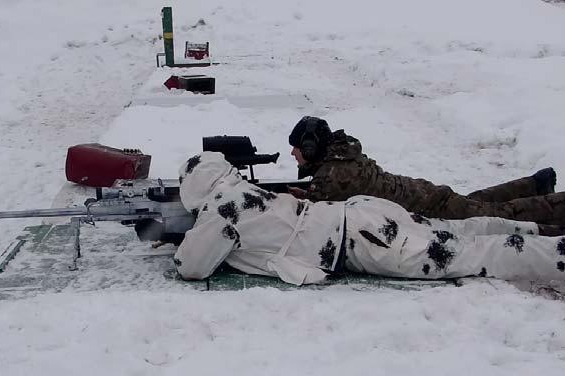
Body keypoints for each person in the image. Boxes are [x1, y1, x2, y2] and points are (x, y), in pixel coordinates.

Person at [173, 151, 565, 285]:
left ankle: (556, 251)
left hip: (364, 242)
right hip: (363, 215)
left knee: (475, 255)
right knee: (461, 231)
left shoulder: (219, 211)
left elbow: (193, 267)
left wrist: (174, 238)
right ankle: (539, 229)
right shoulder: (241, 190)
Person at [285, 116, 565, 233]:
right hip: (424, 196)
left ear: (311, 147)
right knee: (477, 203)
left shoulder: (333, 174)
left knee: (498, 215)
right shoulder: (341, 157)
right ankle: (536, 184)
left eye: (297, 148)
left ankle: (556, 203)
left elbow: (316, 216)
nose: (294, 155)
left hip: (426, 209)